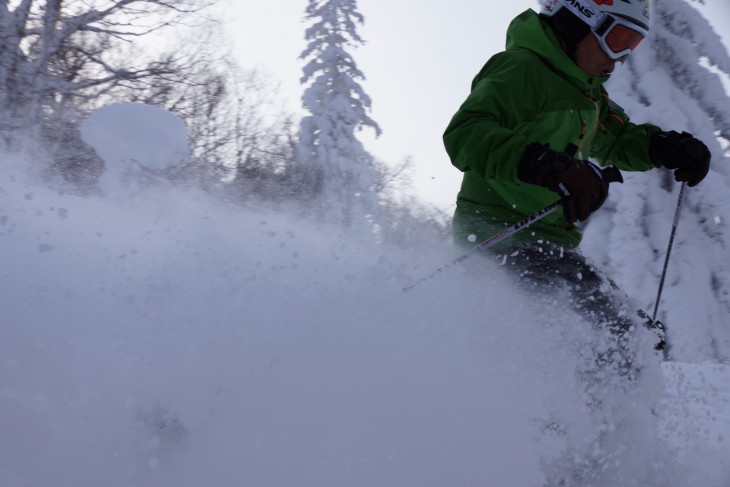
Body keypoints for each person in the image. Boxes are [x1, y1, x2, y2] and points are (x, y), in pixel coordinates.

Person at [443, 0, 711, 375]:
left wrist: (663, 146)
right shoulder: (523, 70)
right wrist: (543, 164)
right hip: (500, 233)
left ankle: (580, 421)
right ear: (576, 20)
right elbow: (466, 133)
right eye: (617, 38)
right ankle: (554, 423)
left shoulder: (587, 94)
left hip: (549, 243)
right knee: (614, 336)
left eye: (631, 45)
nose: (620, 58)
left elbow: (616, 140)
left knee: (631, 336)